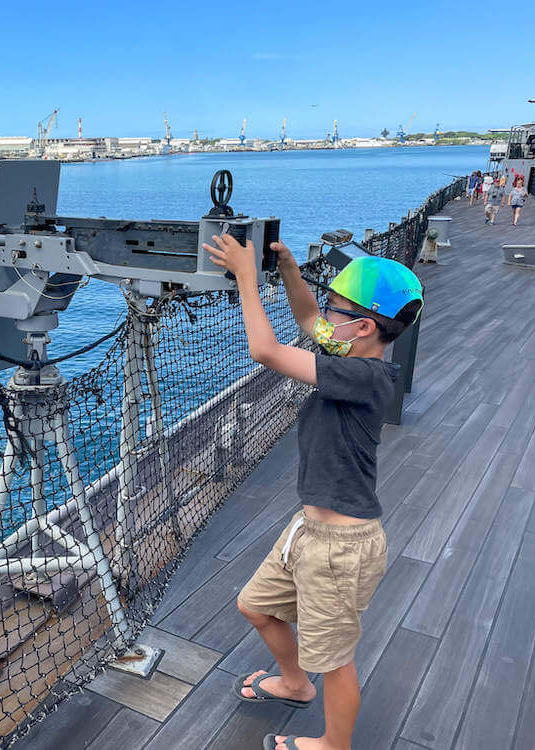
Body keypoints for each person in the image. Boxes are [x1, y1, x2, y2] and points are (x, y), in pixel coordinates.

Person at [202, 234, 422, 750]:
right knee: (256, 606)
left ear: (364, 326)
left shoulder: (364, 375)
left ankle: (333, 745)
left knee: (335, 661)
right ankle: (295, 684)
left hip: (341, 549)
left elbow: (266, 350)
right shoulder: (353, 350)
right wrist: (290, 274)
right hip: (308, 529)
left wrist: (246, 279)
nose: (325, 315)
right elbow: (308, 322)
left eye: (336, 309)